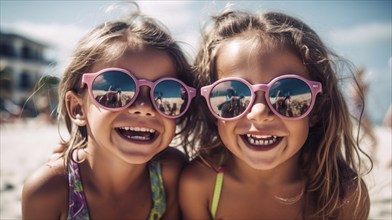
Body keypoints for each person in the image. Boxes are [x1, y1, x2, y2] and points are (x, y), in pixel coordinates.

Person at [180, 8, 372, 219]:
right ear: (210, 108)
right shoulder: (198, 185)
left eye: (287, 96)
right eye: (232, 98)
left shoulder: (344, 196)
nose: (260, 112)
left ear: (317, 108)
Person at [22, 3, 197, 219]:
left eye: (166, 91)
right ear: (77, 108)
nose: (144, 107)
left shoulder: (170, 172)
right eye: (119, 87)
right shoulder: (49, 191)